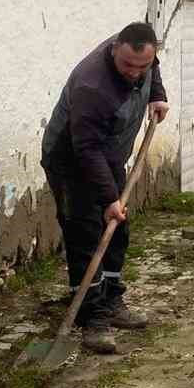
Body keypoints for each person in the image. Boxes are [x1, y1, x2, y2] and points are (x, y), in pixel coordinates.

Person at [41, 22, 169, 353]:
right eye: (128, 65)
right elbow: (86, 149)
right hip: (72, 161)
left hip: (108, 156)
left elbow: (152, 67)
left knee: (118, 231)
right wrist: (109, 198)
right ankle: (92, 316)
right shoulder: (92, 86)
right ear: (114, 50)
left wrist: (157, 96)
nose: (134, 73)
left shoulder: (142, 57)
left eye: (142, 66)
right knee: (86, 234)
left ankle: (111, 299)